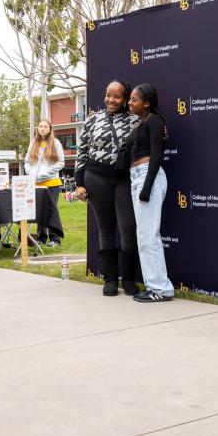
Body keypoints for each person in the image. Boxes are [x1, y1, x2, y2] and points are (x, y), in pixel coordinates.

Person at [74, 80, 141, 297]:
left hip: (123, 179)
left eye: (117, 96)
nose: (111, 100)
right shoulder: (93, 119)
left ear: (125, 98)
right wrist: (79, 183)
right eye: (108, 95)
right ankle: (110, 279)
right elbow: (82, 151)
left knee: (128, 229)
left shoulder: (136, 121)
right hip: (95, 177)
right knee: (105, 229)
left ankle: (129, 279)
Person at [125, 84, 173, 302]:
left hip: (148, 177)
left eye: (134, 100)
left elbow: (157, 155)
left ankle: (160, 289)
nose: (129, 102)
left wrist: (146, 187)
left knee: (148, 235)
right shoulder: (141, 123)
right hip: (137, 177)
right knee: (144, 234)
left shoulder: (154, 120)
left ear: (147, 103)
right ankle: (155, 286)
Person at [24, 119, 65, 247]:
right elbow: (27, 162)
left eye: (45, 126)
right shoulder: (33, 143)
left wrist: (44, 174)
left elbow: (61, 163)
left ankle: (55, 238)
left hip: (51, 182)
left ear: (50, 129)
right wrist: (31, 174)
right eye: (40, 126)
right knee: (39, 211)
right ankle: (41, 237)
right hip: (36, 184)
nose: (42, 128)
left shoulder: (56, 143)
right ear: (38, 129)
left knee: (51, 210)